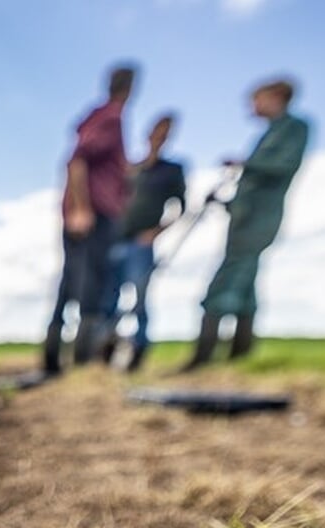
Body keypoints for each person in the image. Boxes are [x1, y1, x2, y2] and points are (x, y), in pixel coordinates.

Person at [184, 78, 310, 370]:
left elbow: (283, 167)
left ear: (277, 96)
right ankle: (240, 355)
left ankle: (202, 358)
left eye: (258, 99)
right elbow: (254, 186)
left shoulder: (294, 128)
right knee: (245, 287)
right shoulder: (267, 134)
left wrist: (243, 165)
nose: (252, 106)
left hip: (258, 221)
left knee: (223, 284)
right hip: (244, 219)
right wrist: (225, 201)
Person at [41, 64, 136, 376]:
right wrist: (82, 208)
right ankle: (80, 365)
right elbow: (77, 160)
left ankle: (56, 363)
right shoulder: (111, 118)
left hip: (87, 213)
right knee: (90, 285)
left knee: (72, 282)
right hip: (93, 215)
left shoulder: (100, 117)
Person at [100, 113, 186, 371]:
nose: (159, 137)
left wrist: (156, 232)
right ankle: (105, 351)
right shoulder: (131, 168)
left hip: (141, 243)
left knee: (139, 299)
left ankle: (138, 353)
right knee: (109, 297)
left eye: (166, 132)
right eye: (157, 130)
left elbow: (180, 207)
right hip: (116, 240)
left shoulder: (172, 170)